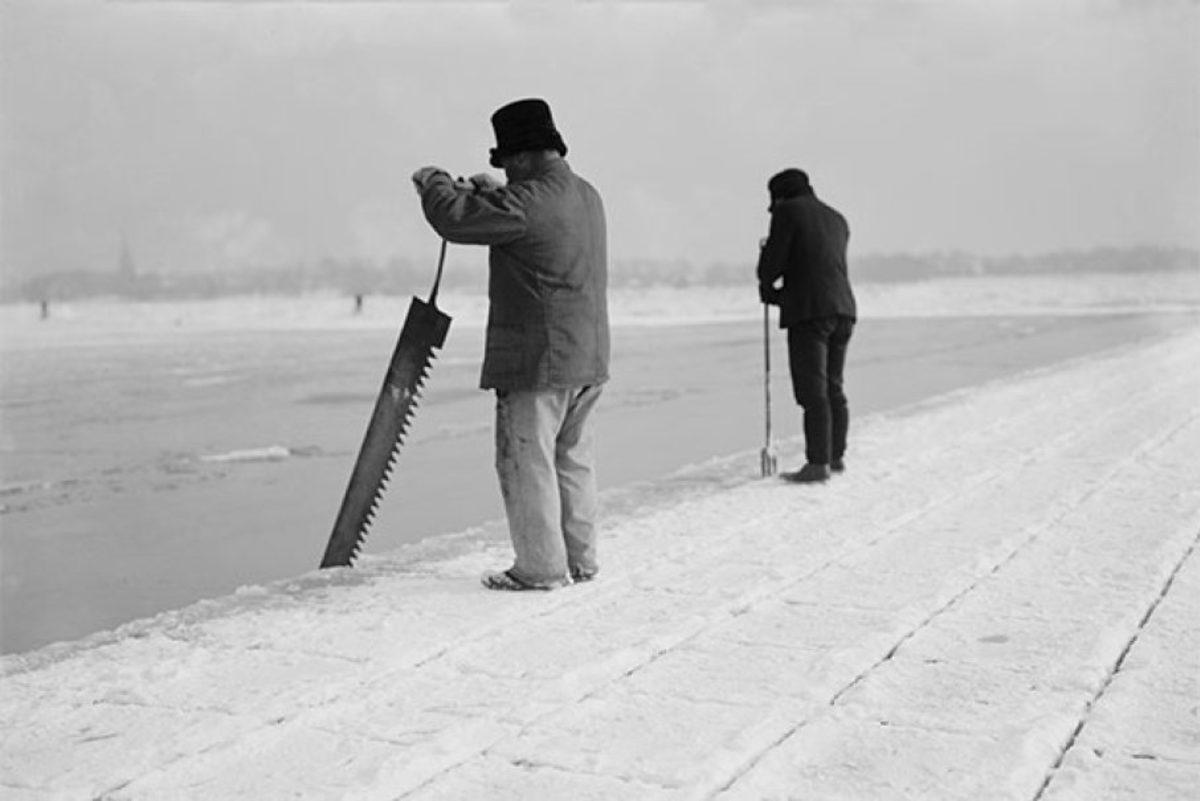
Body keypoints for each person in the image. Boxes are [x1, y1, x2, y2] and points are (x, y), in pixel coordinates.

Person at [411, 98, 609, 591]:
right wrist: (496, 191)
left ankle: (541, 568)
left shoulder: (526, 203)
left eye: (507, 162)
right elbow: (523, 214)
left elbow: (455, 220)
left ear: (520, 157)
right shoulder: (586, 194)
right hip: (587, 356)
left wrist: (432, 181)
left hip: (539, 358)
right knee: (570, 458)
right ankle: (580, 561)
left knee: (525, 461)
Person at [756, 168, 856, 483]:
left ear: (780, 195)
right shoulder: (837, 218)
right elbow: (817, 263)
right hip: (843, 309)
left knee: (812, 390)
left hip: (810, 312)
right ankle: (835, 456)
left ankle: (817, 464)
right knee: (833, 386)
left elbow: (772, 265)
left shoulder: (788, 212)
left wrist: (768, 285)